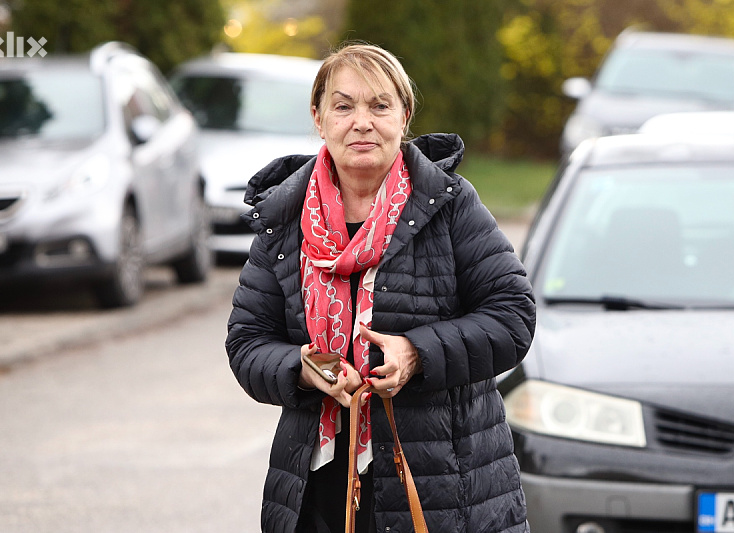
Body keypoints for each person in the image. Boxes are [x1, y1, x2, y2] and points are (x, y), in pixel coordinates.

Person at [226, 42, 536, 533]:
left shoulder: (449, 204)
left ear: (404, 115)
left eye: (379, 105)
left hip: (445, 491)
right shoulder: (285, 219)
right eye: (344, 105)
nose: (361, 121)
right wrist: (303, 368)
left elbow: (513, 317)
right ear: (319, 117)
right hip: (317, 486)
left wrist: (418, 353)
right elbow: (247, 342)